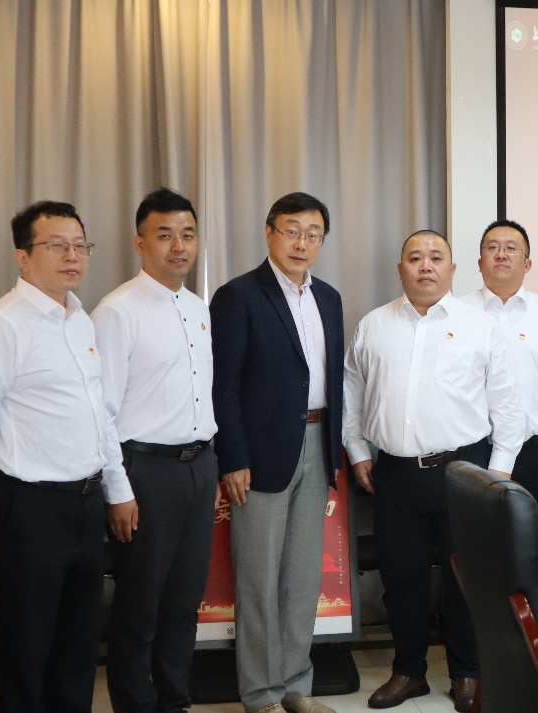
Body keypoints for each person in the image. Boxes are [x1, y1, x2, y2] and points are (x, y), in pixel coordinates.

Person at [0, 201, 136, 713]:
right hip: (28, 507)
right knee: (29, 646)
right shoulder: (2, 324)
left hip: (85, 503)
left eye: (80, 246)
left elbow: (100, 415)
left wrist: (117, 489)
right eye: (56, 245)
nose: (72, 256)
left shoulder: (79, 319)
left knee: (78, 644)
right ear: (23, 256)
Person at [343, 230, 524, 712]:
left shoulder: (481, 327)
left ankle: (467, 673)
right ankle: (409, 671)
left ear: (452, 269)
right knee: (401, 577)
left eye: (436, 257)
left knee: (466, 579)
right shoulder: (374, 325)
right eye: (415, 257)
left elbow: (509, 408)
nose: (425, 265)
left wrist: (497, 474)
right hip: (395, 474)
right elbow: (351, 393)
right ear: (400, 268)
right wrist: (358, 451)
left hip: (465, 473)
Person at [211, 192, 344, 713]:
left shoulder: (329, 297)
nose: (301, 243)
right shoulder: (238, 296)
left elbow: (332, 379)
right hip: (259, 454)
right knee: (259, 579)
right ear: (269, 232)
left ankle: (295, 687)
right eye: (292, 230)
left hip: (317, 442)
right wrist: (233, 457)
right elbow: (224, 385)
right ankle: (261, 694)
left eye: (313, 234)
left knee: (303, 578)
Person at [93, 188, 220, 713]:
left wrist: (210, 470)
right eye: (165, 235)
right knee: (140, 605)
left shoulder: (197, 308)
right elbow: (101, 411)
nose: (178, 246)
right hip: (144, 470)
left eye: (187, 234)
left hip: (199, 467)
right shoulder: (117, 311)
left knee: (184, 602)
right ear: (139, 243)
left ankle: (174, 701)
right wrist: (118, 491)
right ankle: (135, 704)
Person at [459, 219, 538, 548]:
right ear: (479, 261)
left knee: (528, 553)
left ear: (527, 264)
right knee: (474, 553)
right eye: (492, 247)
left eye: (511, 248)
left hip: (534, 455)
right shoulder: (457, 313)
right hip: (472, 452)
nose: (501, 254)